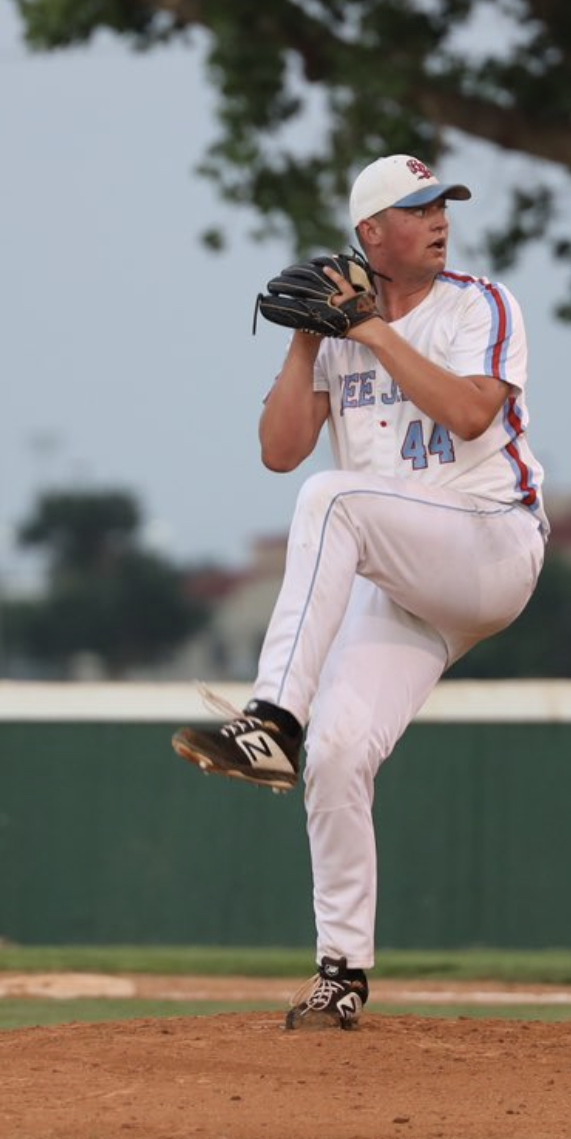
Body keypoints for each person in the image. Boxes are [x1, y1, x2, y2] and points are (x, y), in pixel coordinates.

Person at [172, 153, 550, 1030]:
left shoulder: (479, 305)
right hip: (400, 574)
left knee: (331, 498)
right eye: (418, 208)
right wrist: (310, 336)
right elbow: (279, 447)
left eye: (442, 203)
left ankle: (269, 722)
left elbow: (468, 414)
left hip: (491, 548)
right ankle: (342, 968)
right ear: (371, 235)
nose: (440, 217)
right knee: (339, 754)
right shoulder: (339, 336)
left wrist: (371, 331)